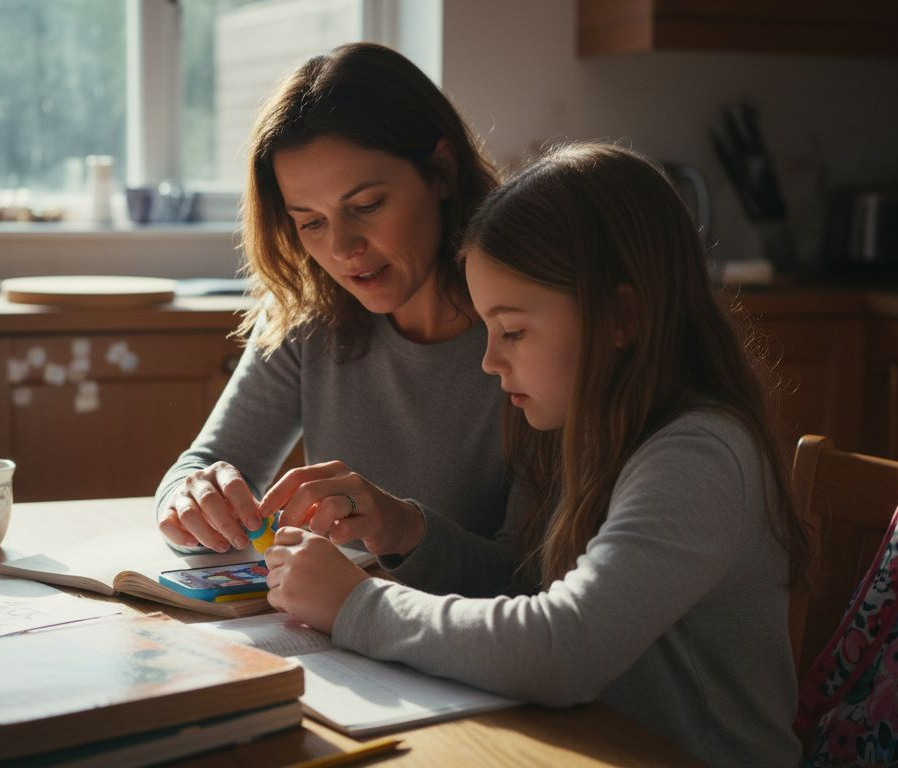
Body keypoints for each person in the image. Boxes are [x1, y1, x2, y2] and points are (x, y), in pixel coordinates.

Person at [263, 142, 809, 766]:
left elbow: (561, 649)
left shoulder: (699, 456)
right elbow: (526, 587)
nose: (490, 361)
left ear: (620, 316)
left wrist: (356, 605)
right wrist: (406, 531)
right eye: (489, 330)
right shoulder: (588, 430)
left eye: (513, 331)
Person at [155, 42, 511, 588]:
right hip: (343, 645)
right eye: (310, 222)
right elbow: (205, 461)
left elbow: (543, 579)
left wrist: (405, 528)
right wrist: (189, 494)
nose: (342, 248)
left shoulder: (527, 329)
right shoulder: (309, 313)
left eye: (366, 206)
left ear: (441, 170)